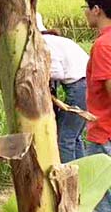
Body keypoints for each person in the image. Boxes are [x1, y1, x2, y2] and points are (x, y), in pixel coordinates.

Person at [81, 0, 111, 212]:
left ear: (97, 10)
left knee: (104, 201)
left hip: (105, 133)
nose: (86, 14)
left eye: (86, 8)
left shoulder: (103, 45)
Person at [36, 12, 90, 162]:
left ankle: (68, 173)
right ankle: (81, 172)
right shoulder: (56, 40)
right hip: (87, 84)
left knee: (64, 138)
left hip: (80, 86)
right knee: (74, 136)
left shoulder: (44, 43)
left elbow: (57, 72)